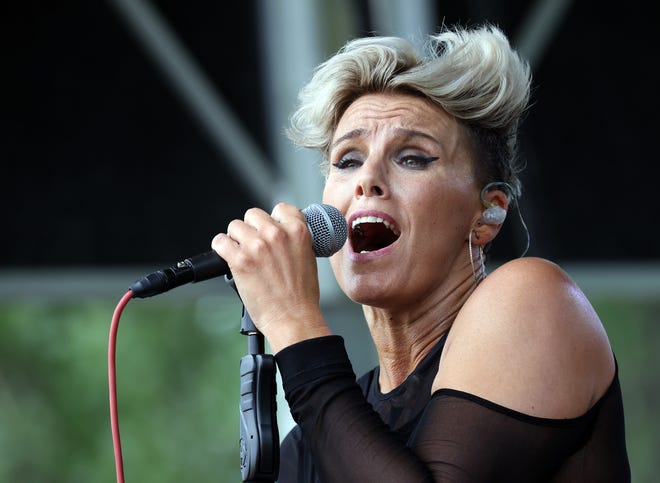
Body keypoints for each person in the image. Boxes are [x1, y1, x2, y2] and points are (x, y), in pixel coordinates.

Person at [212, 23, 630, 482]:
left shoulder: (534, 298)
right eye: (347, 160)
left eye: (413, 157)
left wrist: (294, 325)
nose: (366, 178)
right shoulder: (312, 442)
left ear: (488, 213)